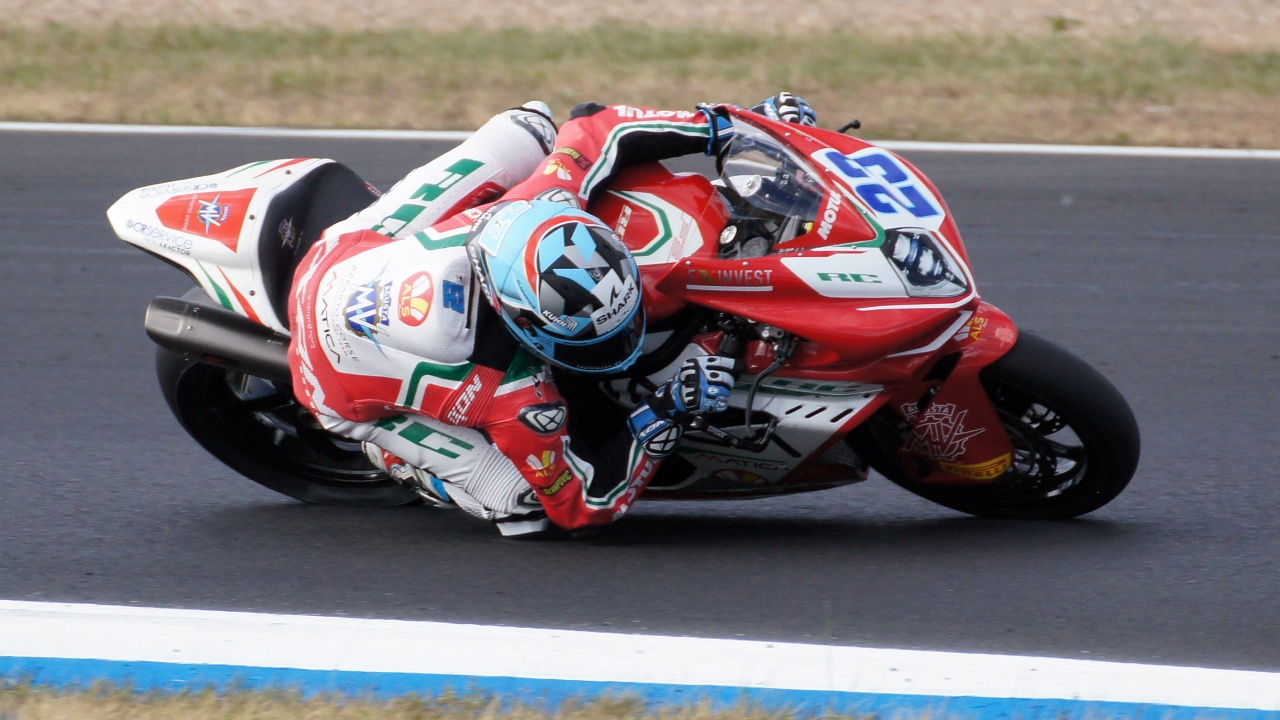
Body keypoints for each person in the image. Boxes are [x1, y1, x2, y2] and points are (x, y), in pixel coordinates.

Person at [287, 93, 816, 536]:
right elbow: (583, 504)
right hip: (331, 380)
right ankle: (396, 460)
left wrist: (732, 126)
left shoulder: (544, 203)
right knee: (523, 505)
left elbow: (598, 126)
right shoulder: (513, 398)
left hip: (341, 253)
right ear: (526, 330)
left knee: (531, 123)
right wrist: (669, 408)